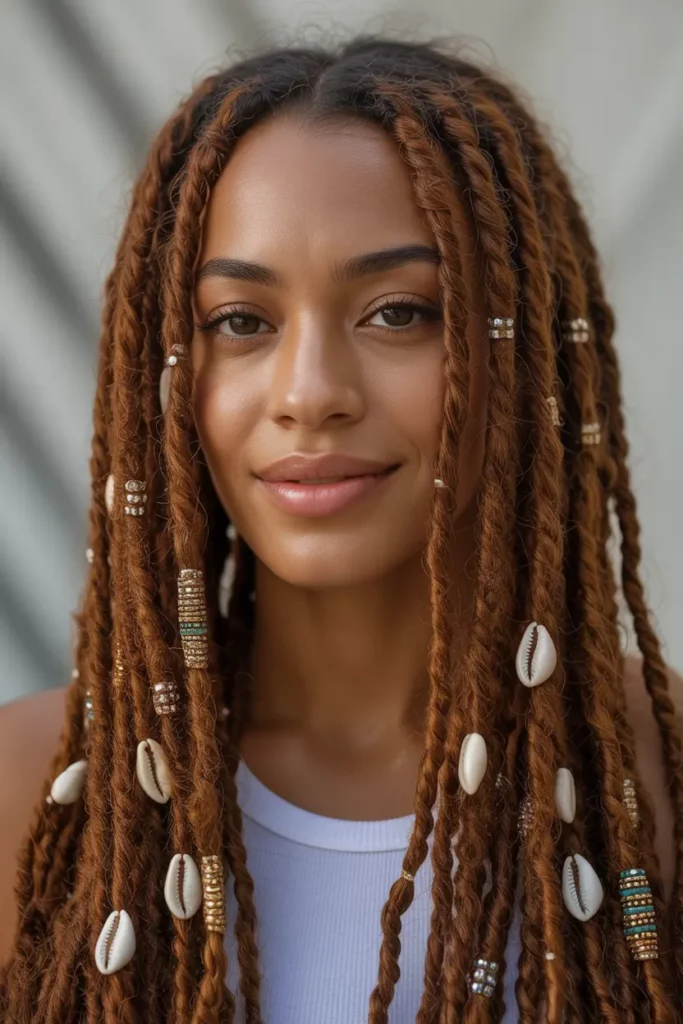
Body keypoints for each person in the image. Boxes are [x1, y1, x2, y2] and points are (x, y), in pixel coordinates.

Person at [0, 34, 681, 1024]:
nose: (308, 394)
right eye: (241, 320)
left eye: (398, 313)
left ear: (523, 351)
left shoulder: (652, 792)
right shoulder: (32, 797)